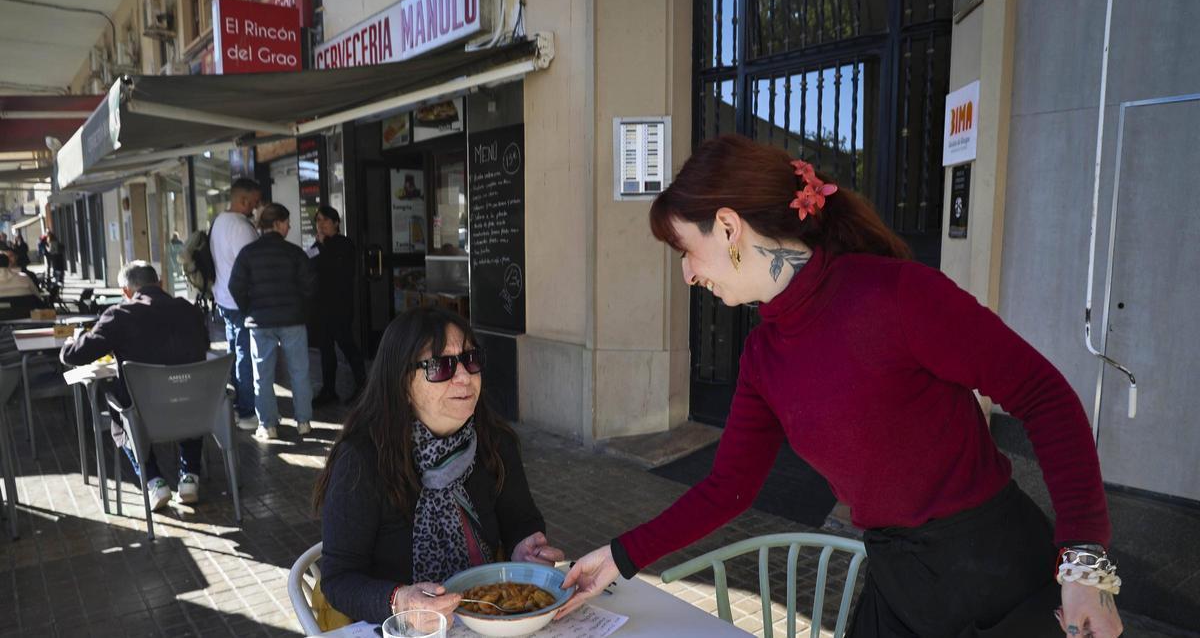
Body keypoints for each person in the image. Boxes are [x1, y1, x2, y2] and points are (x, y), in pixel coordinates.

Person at [560, 135, 1123, 638]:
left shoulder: (897, 295)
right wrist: (619, 557)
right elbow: (729, 486)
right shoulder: (762, 354)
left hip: (998, 578)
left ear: (728, 227)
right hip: (898, 587)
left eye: (685, 250)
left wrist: (1084, 565)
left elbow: (1043, 395)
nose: (687, 274)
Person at [311, 307, 564, 628]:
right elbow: (339, 579)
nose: (465, 377)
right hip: (403, 628)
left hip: (488, 616)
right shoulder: (363, 460)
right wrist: (400, 601)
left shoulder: (494, 440)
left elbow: (521, 520)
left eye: (471, 360)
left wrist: (525, 547)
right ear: (402, 382)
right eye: (442, 366)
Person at [60, 261, 210, 509]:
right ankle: (190, 476)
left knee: (118, 407)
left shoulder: (120, 315)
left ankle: (154, 481)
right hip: (193, 410)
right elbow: (202, 345)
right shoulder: (189, 310)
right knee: (184, 388)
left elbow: (78, 355)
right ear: (160, 283)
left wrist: (67, 345)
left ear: (126, 292)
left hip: (143, 415)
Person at [228, 203, 316, 440]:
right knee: (300, 372)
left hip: (260, 322)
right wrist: (300, 308)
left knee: (262, 375)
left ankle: (268, 425)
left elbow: (235, 286)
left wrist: (250, 309)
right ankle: (304, 422)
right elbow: (309, 285)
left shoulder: (248, 253)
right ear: (277, 223)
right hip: (293, 320)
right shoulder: (294, 252)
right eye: (287, 222)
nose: (289, 227)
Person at [211, 178, 263, 432]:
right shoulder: (242, 227)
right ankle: (246, 410)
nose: (256, 207)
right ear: (243, 200)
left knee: (234, 352)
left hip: (224, 298)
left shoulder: (219, 222)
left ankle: (236, 405)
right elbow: (256, 265)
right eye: (253, 202)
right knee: (246, 355)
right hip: (241, 301)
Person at [308, 206, 366, 406]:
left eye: (325, 220)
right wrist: (319, 246)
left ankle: (363, 385)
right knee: (325, 348)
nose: (321, 224)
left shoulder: (344, 244)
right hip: (321, 306)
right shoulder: (318, 244)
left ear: (335, 222)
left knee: (346, 344)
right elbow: (309, 266)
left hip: (340, 305)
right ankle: (328, 389)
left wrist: (323, 247)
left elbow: (335, 270)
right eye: (318, 221)